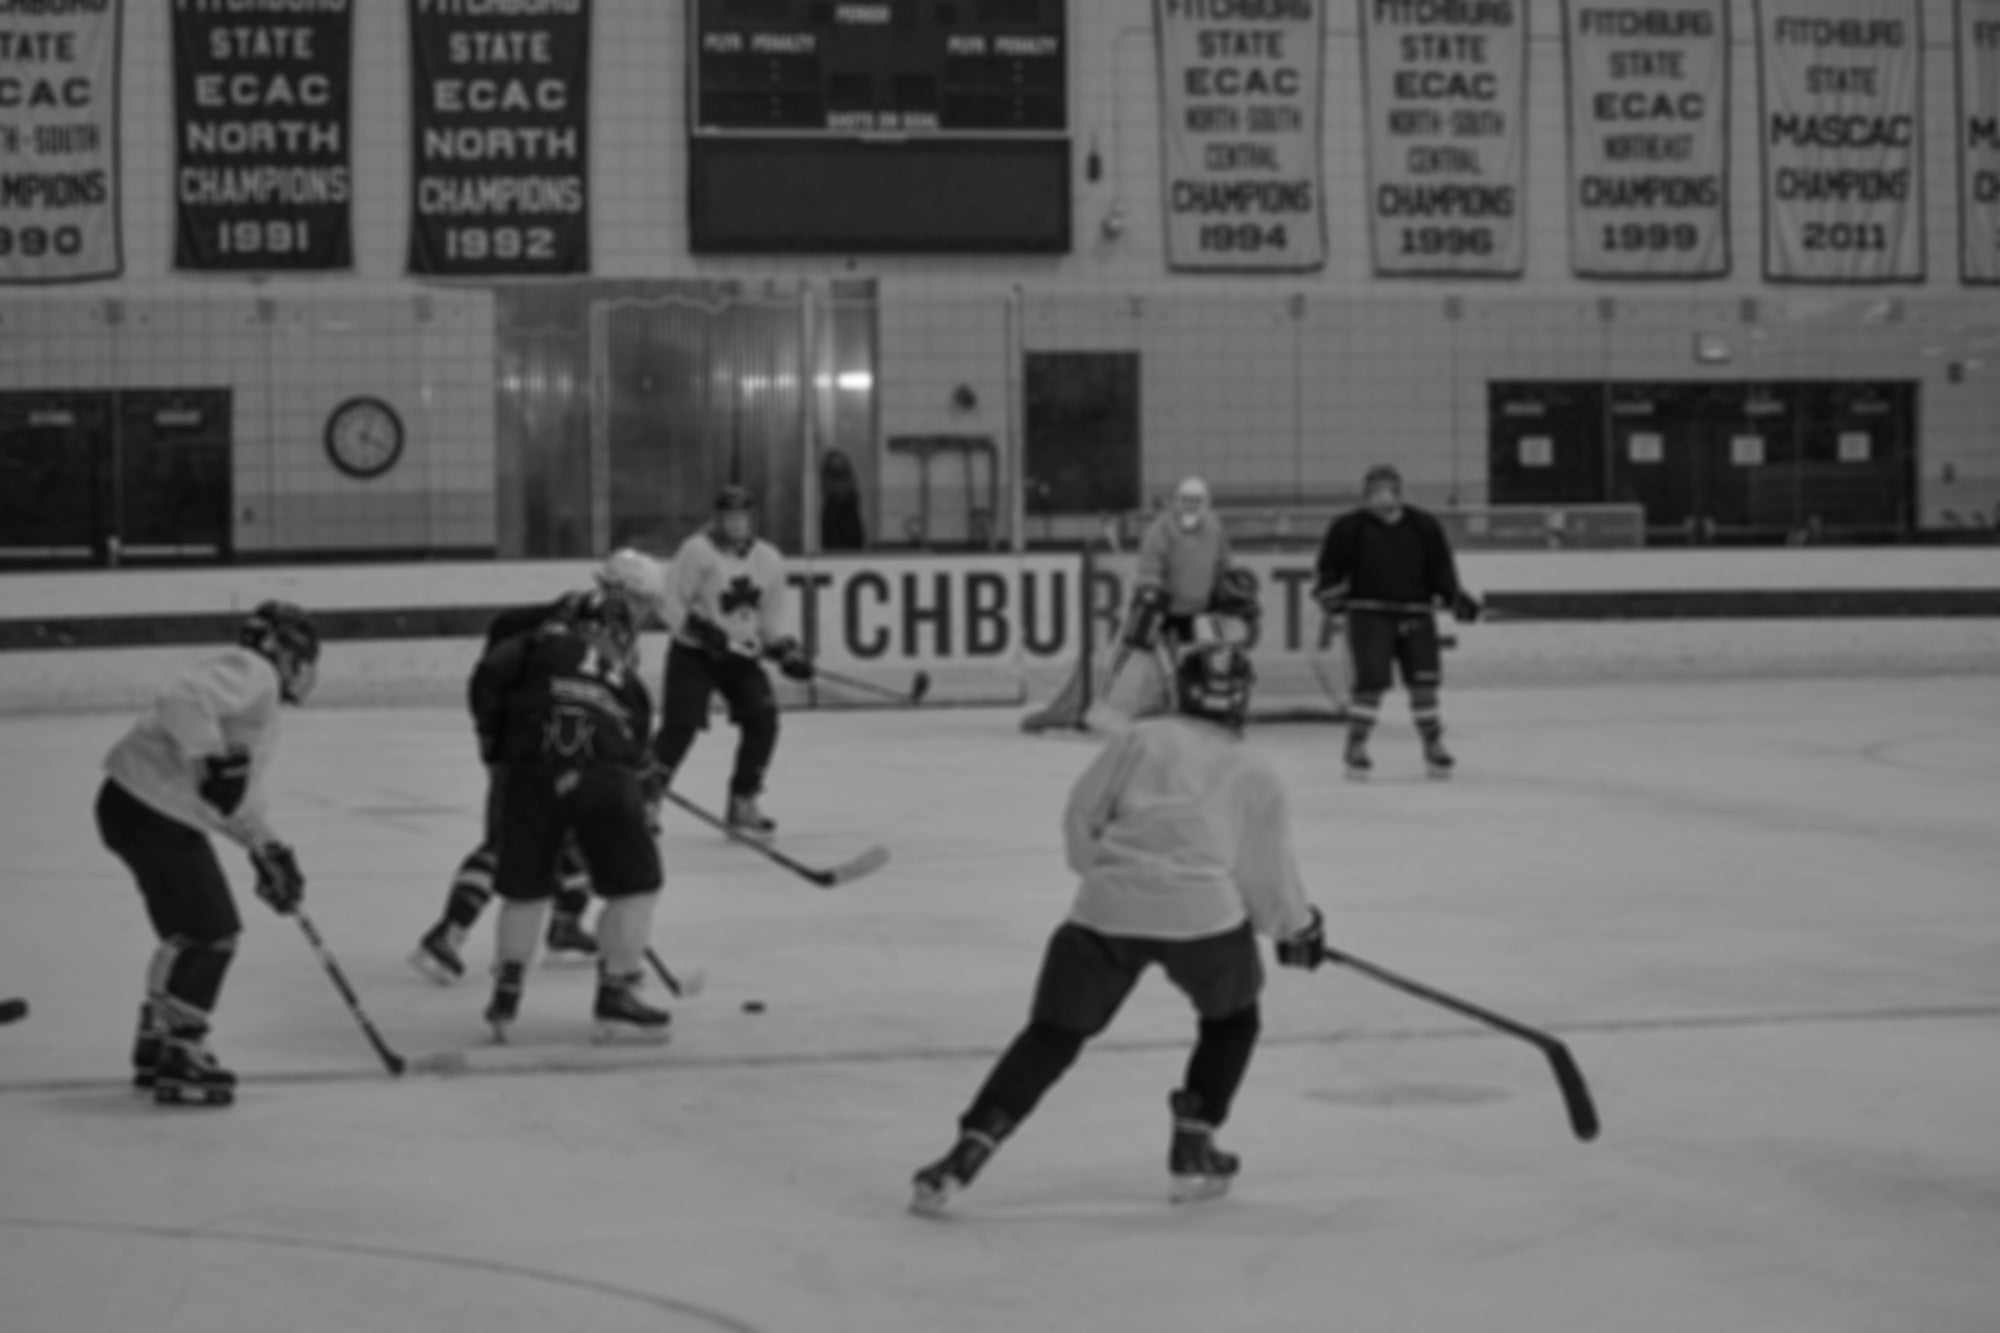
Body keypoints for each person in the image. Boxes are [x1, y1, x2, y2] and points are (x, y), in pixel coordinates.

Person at [910, 642, 1328, 1215]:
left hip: (1105, 911)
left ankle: (965, 1153)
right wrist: (1295, 929)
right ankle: (1193, 1145)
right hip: (1201, 918)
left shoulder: (1141, 738)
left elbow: (1082, 811)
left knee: (1052, 1036)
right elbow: (1267, 871)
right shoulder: (1256, 770)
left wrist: (1103, 869)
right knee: (1232, 1021)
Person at [96, 601, 321, 1106]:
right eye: (303, 654)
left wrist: (268, 849)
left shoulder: (255, 705)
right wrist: (209, 755)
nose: (308, 668)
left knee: (187, 931)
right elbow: (180, 697)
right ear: (282, 652)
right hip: (153, 811)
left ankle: (157, 1042)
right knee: (213, 933)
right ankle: (182, 1053)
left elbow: (234, 794)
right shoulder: (253, 671)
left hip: (134, 806)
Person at [410, 548, 668, 984]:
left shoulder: (595, 623)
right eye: (641, 600)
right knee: (512, 840)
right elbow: (499, 666)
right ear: (618, 590)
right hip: (532, 749)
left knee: (579, 828)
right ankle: (447, 935)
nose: (646, 612)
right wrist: (497, 741)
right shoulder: (569, 622)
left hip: (551, 747)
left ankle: (564, 926)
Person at [469, 590, 672, 1042]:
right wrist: (645, 801)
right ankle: (617, 993)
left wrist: (495, 742)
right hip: (603, 777)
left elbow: (488, 675)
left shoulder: (535, 645)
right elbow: (638, 754)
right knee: (637, 887)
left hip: (529, 774)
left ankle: (507, 991)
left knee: (524, 889)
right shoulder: (630, 682)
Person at [653, 485, 813, 838]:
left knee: (763, 721)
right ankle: (644, 799)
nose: (737, 524)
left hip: (738, 657)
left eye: (743, 517)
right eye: (730, 517)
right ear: (717, 519)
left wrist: (786, 649)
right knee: (679, 728)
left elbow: (770, 620)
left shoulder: (769, 559)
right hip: (693, 656)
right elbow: (669, 603)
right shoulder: (697, 551)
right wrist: (698, 629)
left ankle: (743, 800)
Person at [1311, 464, 1482, 779]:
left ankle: (1433, 744)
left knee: (1424, 685)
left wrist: (1455, 598)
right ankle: (1357, 745)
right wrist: (1329, 593)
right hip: (1369, 616)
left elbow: (1441, 570)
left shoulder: (1425, 527)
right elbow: (1328, 570)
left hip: (1416, 615)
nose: (1377, 498)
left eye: (1384, 491)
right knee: (1371, 684)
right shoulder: (1347, 528)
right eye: (1371, 492)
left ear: (1398, 494)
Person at [1097, 476, 1259, 724]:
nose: (1190, 505)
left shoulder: (1215, 527)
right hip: (1166, 608)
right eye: (1185, 499)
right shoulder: (1160, 529)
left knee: (1218, 656)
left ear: (1207, 502)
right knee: (1143, 653)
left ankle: (1211, 704)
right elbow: (1149, 569)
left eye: (1197, 500)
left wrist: (1229, 586)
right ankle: (1132, 703)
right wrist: (1151, 594)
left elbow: (1223, 563)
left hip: (1202, 607)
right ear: (1176, 501)